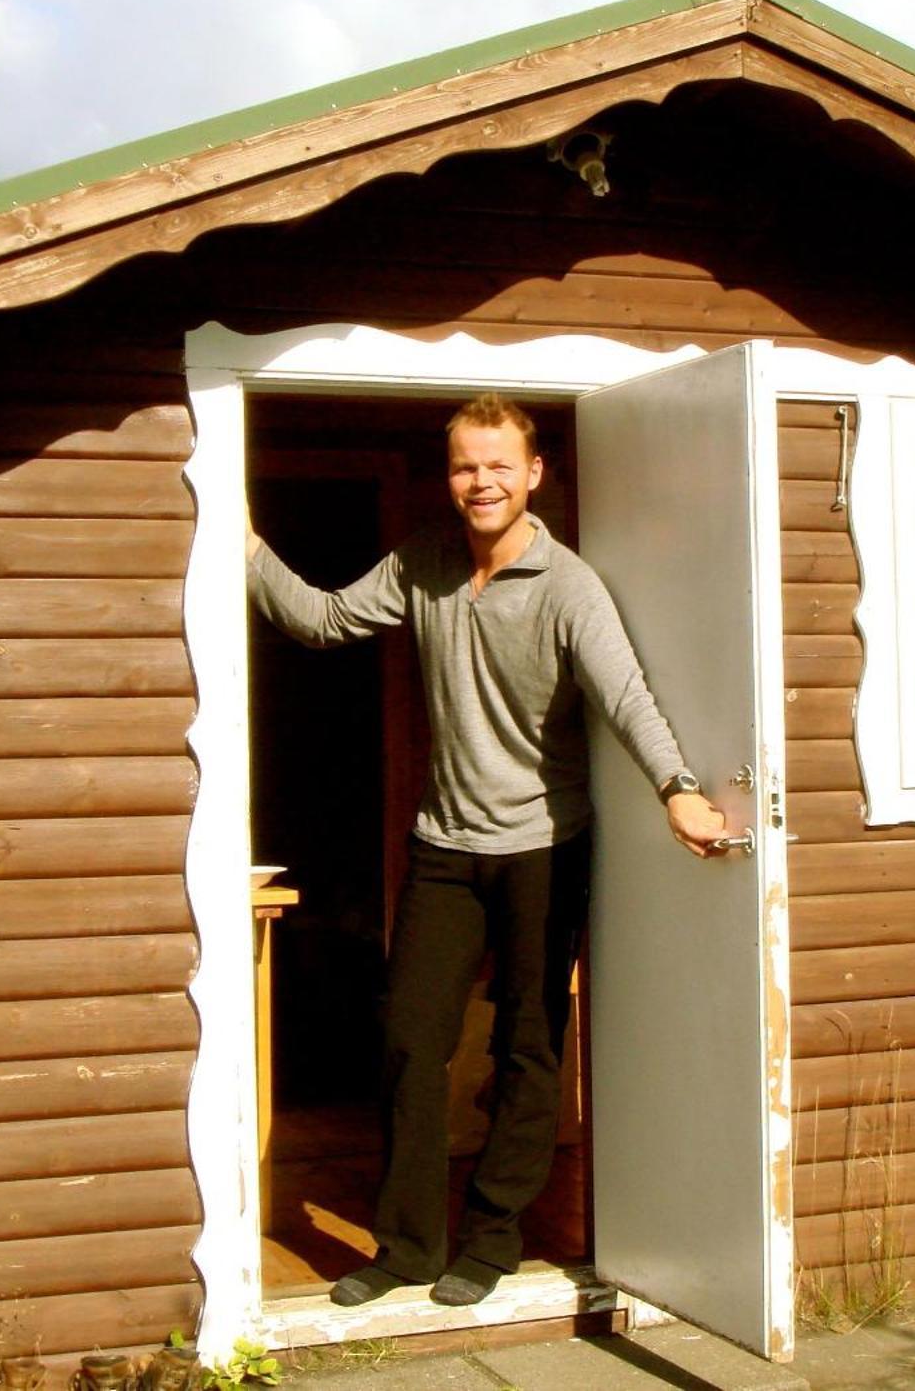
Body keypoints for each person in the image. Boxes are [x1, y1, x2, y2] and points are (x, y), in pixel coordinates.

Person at [245, 393, 730, 1310]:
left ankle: (494, 1237)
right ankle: (408, 1246)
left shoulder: (567, 586)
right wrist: (245, 547)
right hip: (444, 845)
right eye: (467, 465)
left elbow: (623, 695)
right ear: (450, 474)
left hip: (546, 846)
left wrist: (678, 791)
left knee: (527, 1044)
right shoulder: (423, 561)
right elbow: (321, 620)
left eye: (500, 465)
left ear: (534, 474)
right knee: (406, 1041)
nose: (483, 482)